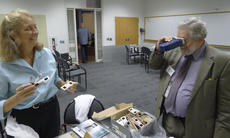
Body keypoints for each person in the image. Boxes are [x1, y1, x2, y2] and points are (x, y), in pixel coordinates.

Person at [0, 9, 78, 138]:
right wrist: (16, 99)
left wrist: (65, 85)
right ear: (13, 35)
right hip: (23, 118)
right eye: (28, 29)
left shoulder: (46, 53)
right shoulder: (3, 66)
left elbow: (54, 79)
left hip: (52, 109)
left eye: (35, 27)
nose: (35, 32)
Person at [149, 17, 230, 138]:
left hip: (197, 128)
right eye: (178, 39)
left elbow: (225, 111)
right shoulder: (174, 51)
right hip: (168, 121)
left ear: (200, 39)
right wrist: (159, 50)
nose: (180, 44)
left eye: (184, 40)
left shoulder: (221, 61)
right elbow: (154, 65)